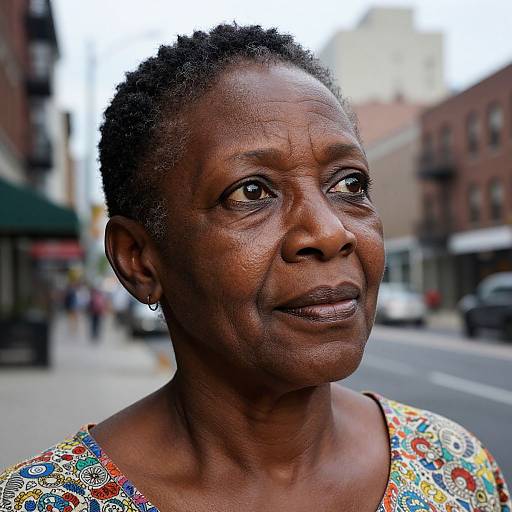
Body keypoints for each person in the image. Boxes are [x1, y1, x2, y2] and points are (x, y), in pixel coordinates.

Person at [1, 24, 509, 512]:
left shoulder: (454, 467)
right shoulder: (45, 502)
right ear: (139, 260)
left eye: (349, 184)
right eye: (251, 192)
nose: (332, 232)